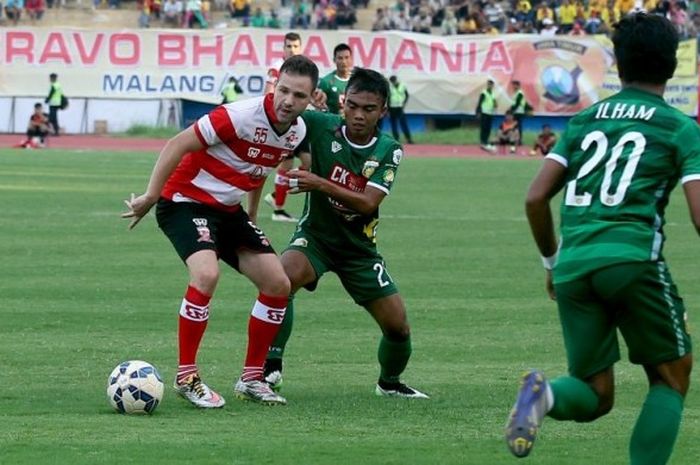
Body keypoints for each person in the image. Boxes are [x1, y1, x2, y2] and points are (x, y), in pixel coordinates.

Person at [506, 13, 697, 464]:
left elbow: (535, 198)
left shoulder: (584, 122)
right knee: (672, 377)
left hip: (574, 266)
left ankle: (545, 395)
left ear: (620, 65)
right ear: (671, 65)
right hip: (631, 260)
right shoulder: (679, 126)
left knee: (596, 393)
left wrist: (552, 264)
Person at [121, 55, 320, 409]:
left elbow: (259, 171)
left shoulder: (297, 131)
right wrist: (151, 195)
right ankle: (187, 377)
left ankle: (252, 378)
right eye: (284, 90)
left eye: (300, 95)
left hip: (228, 211)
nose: (289, 101)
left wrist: (253, 216)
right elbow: (176, 144)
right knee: (206, 274)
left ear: (312, 98)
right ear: (274, 86)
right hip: (184, 201)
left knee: (278, 284)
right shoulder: (238, 115)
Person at [263, 68, 429, 400]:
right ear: (343, 103)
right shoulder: (321, 126)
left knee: (399, 329)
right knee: (281, 280)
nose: (358, 115)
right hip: (316, 238)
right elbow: (280, 115)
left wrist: (319, 183)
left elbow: (368, 203)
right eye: (352, 105)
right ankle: (269, 369)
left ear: (383, 111)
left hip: (359, 250)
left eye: (368, 109)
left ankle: (389, 383)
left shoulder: (388, 149)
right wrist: (300, 95)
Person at [262, 32, 325, 223]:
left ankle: (275, 196)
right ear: (283, 48)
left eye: (295, 46)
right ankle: (278, 208)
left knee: (308, 163)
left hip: (300, 123)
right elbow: (269, 94)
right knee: (287, 165)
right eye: (288, 46)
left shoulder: (304, 69)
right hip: (284, 124)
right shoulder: (276, 68)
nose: (292, 49)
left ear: (300, 47)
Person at [317, 43, 353, 115]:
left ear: (351, 59)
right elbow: (319, 107)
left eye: (346, 57)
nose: (344, 62)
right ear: (334, 60)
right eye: (340, 58)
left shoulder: (357, 80)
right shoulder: (326, 82)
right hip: (334, 123)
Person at [387, 75, 414, 145]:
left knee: (404, 124)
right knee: (394, 125)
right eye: (392, 82)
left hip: (400, 107)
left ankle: (409, 139)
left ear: (396, 80)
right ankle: (396, 139)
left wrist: (403, 104)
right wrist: (388, 110)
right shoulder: (389, 87)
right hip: (392, 108)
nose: (393, 82)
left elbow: (407, 95)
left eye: (394, 81)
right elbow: (387, 98)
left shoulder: (402, 86)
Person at [476, 79, 497, 152]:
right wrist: (478, 112)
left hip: (490, 113)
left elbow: (494, 102)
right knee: (483, 127)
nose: (490, 86)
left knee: (488, 128)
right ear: (487, 85)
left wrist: (495, 104)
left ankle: (486, 140)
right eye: (488, 84)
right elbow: (479, 103)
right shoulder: (484, 93)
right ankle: (482, 141)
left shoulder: (493, 94)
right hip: (484, 112)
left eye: (491, 85)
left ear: (492, 86)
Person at [508, 80, 530, 145]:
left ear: (518, 86)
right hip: (516, 112)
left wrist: (511, 110)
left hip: (519, 112)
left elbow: (517, 103)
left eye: (515, 85)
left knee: (518, 127)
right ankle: (515, 140)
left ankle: (519, 140)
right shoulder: (516, 93)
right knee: (515, 127)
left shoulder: (520, 93)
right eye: (513, 85)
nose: (514, 86)